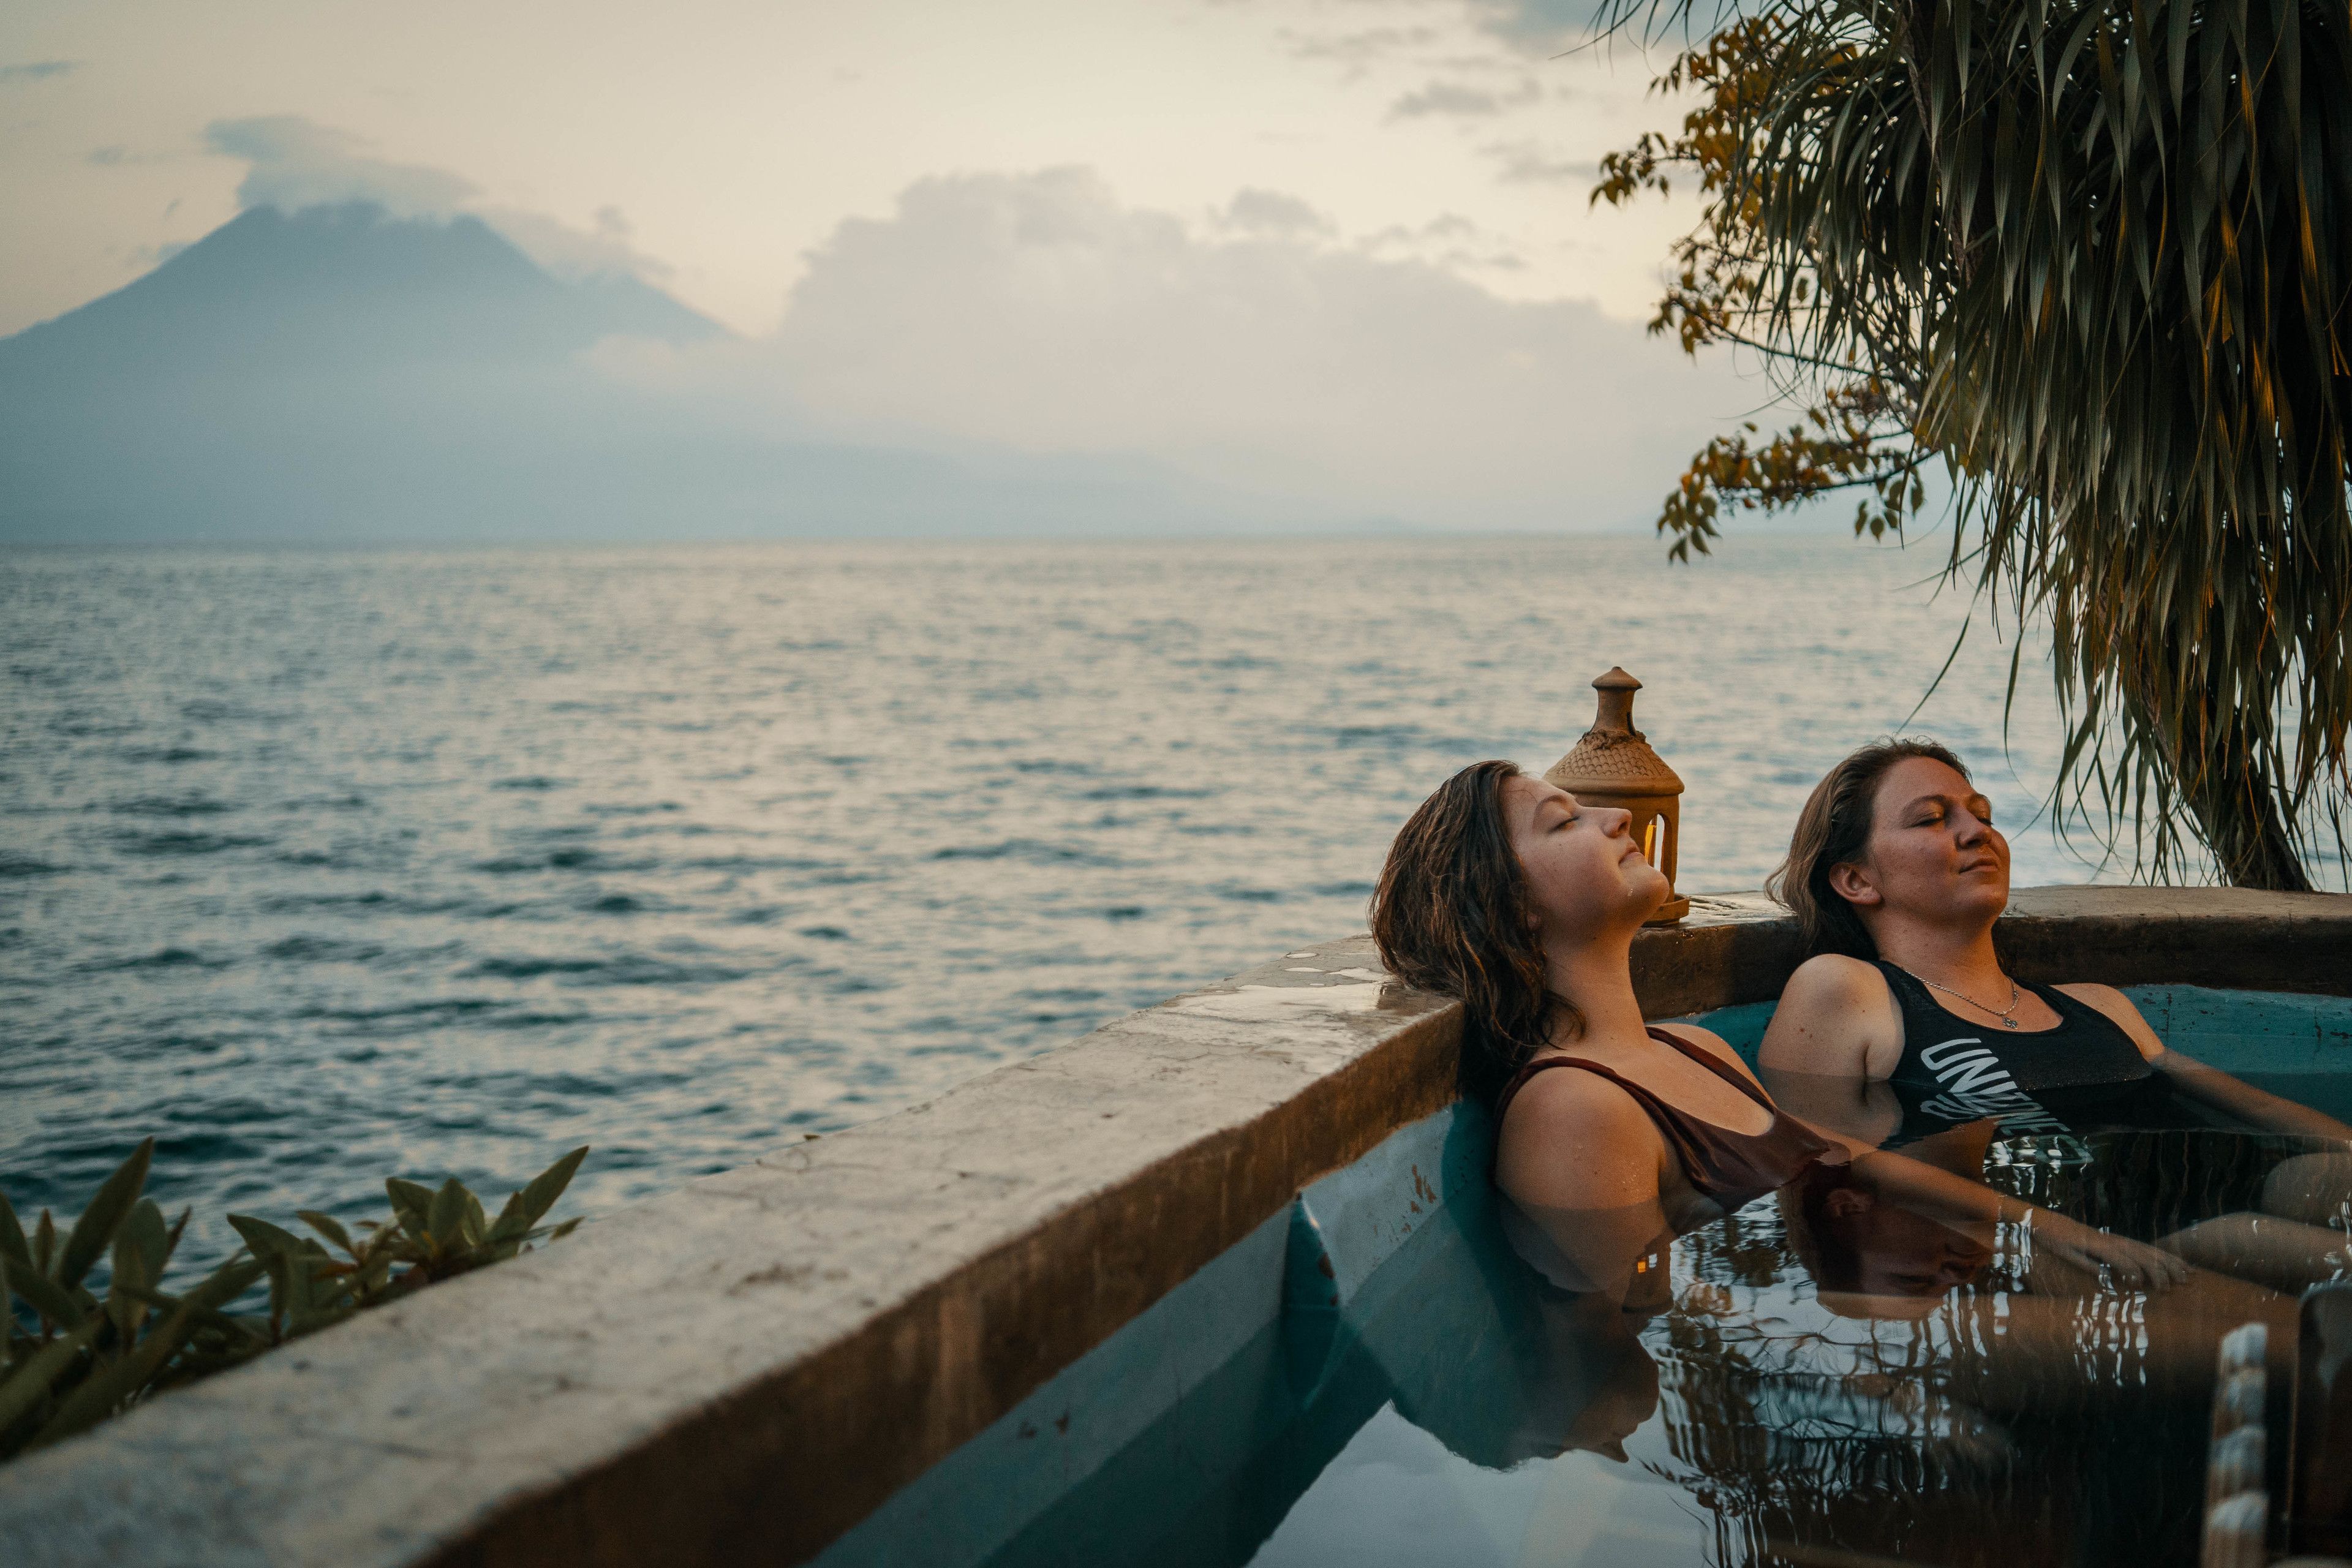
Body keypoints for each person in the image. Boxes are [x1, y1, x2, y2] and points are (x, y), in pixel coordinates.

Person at [1369, 759, 2186, 1298]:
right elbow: (1616, 1326)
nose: (1616, 815)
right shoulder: (1575, 1109)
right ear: (1513, 904)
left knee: (2223, 1266)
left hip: (1852, 1317)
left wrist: (2051, 1229)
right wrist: (1871, 1385)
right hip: (1825, 1361)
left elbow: (1850, 1160)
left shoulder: (1697, 1049)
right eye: (1564, 822)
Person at [1760, 738, 2352, 1287]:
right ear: (1857, 880)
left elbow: (2262, 1110)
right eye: (1932, 819)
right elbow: (1835, 1155)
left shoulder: (2099, 1005)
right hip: (2133, 1237)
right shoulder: (1847, 990)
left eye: (1983, 815)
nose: (1977, 832)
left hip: (2234, 1180)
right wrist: (2052, 1229)